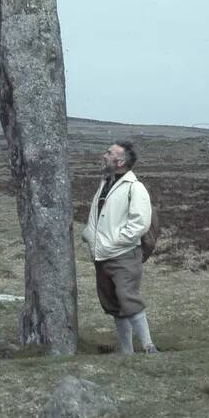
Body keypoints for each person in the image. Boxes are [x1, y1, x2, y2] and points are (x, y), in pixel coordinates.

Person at [80, 141, 157, 354]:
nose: (104, 155)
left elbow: (140, 222)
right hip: (102, 254)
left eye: (109, 153)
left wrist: (117, 242)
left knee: (127, 297)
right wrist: (89, 235)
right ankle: (126, 350)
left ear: (120, 161)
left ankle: (149, 347)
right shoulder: (106, 182)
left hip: (123, 254)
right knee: (113, 302)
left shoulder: (135, 187)